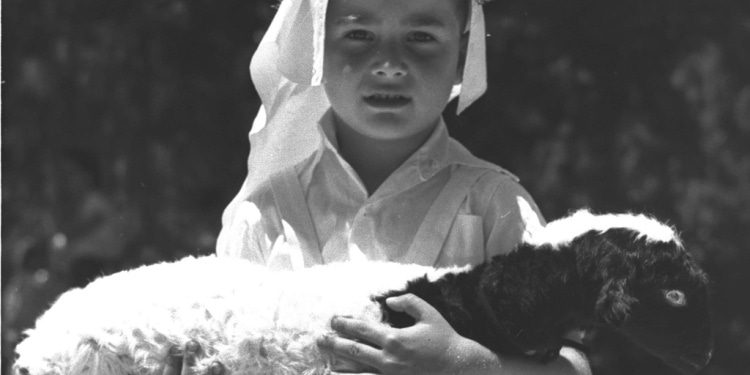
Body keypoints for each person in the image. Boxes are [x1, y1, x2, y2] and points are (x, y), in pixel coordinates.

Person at [167, 0, 591, 373]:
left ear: (462, 55)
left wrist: (461, 363)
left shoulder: (495, 208)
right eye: (359, 34)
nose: (389, 63)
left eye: (421, 36)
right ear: (316, 48)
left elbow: (571, 365)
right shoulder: (265, 215)